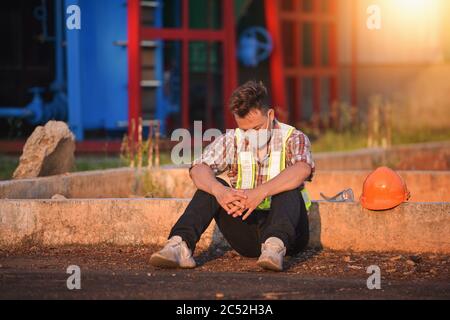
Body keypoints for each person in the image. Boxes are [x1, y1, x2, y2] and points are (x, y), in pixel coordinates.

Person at [150, 81, 315, 271]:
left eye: (257, 128)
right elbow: (198, 168)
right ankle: (179, 245)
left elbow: (302, 169)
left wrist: (260, 192)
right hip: (248, 231)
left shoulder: (293, 137)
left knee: (289, 188)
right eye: (244, 129)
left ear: (270, 115)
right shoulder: (232, 140)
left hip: (290, 233)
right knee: (212, 185)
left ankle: (274, 248)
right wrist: (219, 190)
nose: (250, 134)